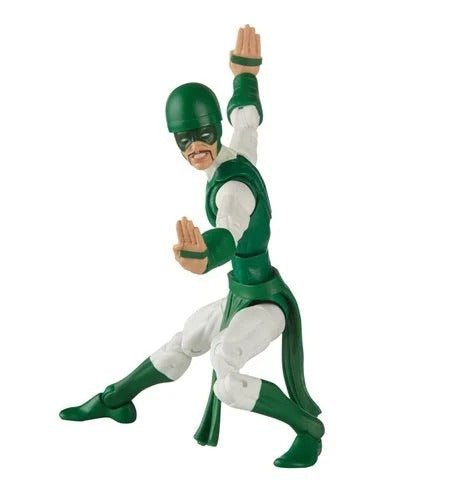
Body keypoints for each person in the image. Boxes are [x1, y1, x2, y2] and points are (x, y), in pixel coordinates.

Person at [60, 25, 324, 468]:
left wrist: (204, 255)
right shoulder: (235, 155)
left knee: (225, 371)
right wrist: (245, 75)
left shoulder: (232, 189)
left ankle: (309, 432)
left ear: (213, 129)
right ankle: (116, 400)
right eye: (185, 139)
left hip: (266, 302)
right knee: (186, 340)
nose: (195, 147)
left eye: (202, 134)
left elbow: (229, 232)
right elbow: (246, 120)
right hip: (241, 293)